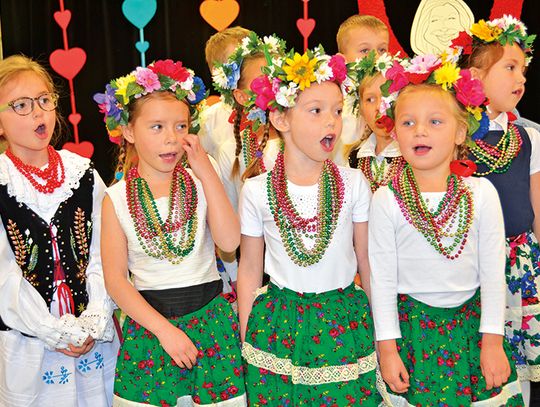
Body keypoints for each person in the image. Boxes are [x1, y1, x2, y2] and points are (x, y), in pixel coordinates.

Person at [238, 46, 391, 406]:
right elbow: (248, 270)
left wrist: (383, 334)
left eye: (337, 111)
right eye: (316, 111)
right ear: (280, 118)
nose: (331, 122)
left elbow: (367, 262)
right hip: (278, 326)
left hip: (345, 323)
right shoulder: (256, 190)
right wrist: (248, 339)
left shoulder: (353, 183)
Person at [369, 52, 524, 405]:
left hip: (471, 332)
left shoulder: (481, 193)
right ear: (395, 133)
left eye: (435, 122)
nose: (420, 130)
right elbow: (382, 282)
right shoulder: (386, 199)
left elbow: (492, 275)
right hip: (413, 336)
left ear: (459, 133)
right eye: (407, 123)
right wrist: (388, 350)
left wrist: (493, 342)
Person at [95, 60, 246, 406]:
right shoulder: (115, 198)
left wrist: (207, 173)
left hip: (211, 322)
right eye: (157, 127)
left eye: (180, 126)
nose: (171, 138)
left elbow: (229, 243)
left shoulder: (199, 182)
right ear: (129, 132)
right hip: (151, 328)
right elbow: (116, 281)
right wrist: (164, 330)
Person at [0, 54, 117, 406]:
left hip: (92, 337)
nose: (38, 113)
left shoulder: (81, 172)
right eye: (21, 105)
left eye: (45, 100)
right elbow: (4, 274)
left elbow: (104, 252)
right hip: (31, 339)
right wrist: (53, 330)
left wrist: (95, 317)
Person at [450, 15, 540, 405]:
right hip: (469, 262)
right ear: (473, 75)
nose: (520, 77)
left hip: (519, 264)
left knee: (520, 368)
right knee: (476, 365)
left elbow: (536, 208)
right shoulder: (454, 135)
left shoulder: (529, 136)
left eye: (523, 69)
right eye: (509, 67)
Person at [335, 14, 391, 166]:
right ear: (342, 60)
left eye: (382, 50)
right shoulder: (337, 102)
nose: (375, 58)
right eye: (365, 50)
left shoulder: (394, 97)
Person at [344, 51, 404, 191]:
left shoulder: (414, 155)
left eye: (387, 96)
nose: (379, 107)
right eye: (370, 99)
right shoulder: (353, 159)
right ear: (361, 110)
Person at [199, 26, 251, 158]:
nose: (251, 67)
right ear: (218, 72)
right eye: (241, 62)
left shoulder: (276, 109)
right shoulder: (208, 121)